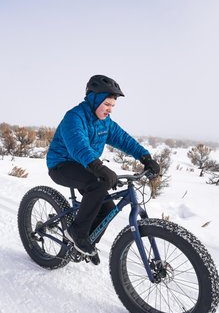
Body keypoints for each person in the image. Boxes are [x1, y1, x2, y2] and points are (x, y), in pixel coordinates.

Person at [46, 75, 160, 264]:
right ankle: (77, 232)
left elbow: (124, 140)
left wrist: (145, 157)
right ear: (94, 99)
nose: (110, 109)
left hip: (86, 164)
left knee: (107, 207)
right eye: (107, 104)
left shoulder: (105, 123)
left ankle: (85, 244)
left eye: (113, 106)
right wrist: (98, 167)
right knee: (97, 183)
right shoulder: (74, 117)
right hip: (61, 165)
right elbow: (78, 145)